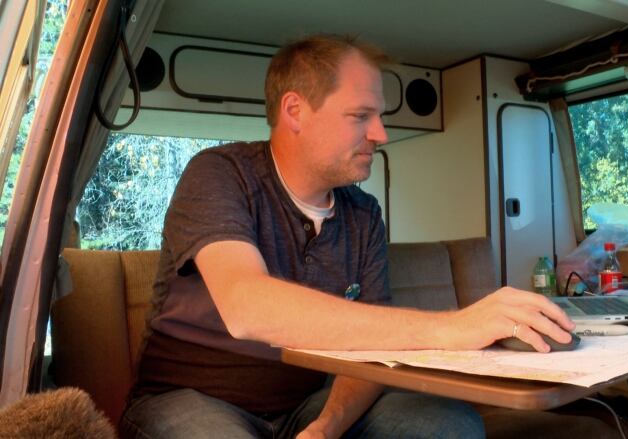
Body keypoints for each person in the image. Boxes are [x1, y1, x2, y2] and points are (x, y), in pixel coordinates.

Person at [120, 34, 575, 439]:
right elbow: (246, 306)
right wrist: (453, 327)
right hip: (191, 399)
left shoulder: (363, 214)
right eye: (361, 115)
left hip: (309, 403)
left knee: (446, 423)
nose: (380, 133)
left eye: (379, 116)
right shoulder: (220, 174)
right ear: (295, 111)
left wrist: (327, 426)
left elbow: (373, 350)